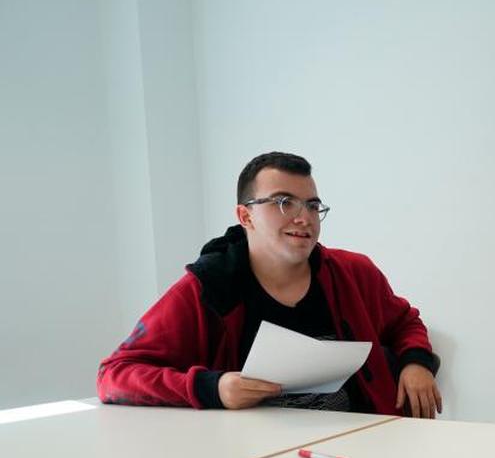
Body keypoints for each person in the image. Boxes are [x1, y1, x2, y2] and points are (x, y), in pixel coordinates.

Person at [97, 152, 442, 417]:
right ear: (245, 216)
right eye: (283, 202)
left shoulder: (353, 272)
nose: (303, 217)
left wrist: (416, 363)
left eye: (312, 204)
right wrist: (211, 388)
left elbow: (405, 322)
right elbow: (114, 375)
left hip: (359, 448)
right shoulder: (206, 289)